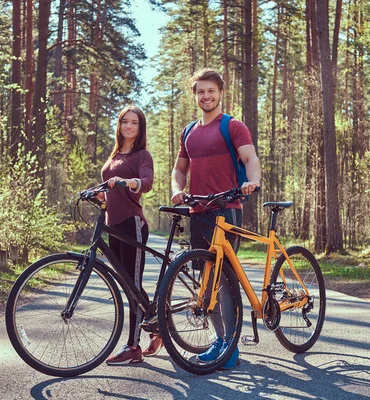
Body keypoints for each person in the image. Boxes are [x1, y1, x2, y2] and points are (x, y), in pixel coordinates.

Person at [170, 68, 261, 369]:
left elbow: (250, 159)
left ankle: (230, 346)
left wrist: (252, 181)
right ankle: (220, 340)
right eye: (200, 91)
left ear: (221, 93)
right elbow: (180, 169)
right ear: (195, 95)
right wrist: (176, 189)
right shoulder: (188, 132)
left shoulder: (232, 126)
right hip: (199, 211)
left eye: (211, 91)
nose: (206, 96)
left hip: (227, 209)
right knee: (206, 282)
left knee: (224, 279)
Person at [100, 105, 159, 365]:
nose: (129, 126)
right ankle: (158, 323)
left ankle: (133, 347)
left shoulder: (141, 155)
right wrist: (99, 193)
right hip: (112, 224)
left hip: (132, 224)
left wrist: (131, 182)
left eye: (134, 122)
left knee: (132, 286)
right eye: (125, 121)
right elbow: (110, 188)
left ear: (140, 127)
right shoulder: (114, 155)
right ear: (119, 125)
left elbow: (146, 182)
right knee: (127, 286)